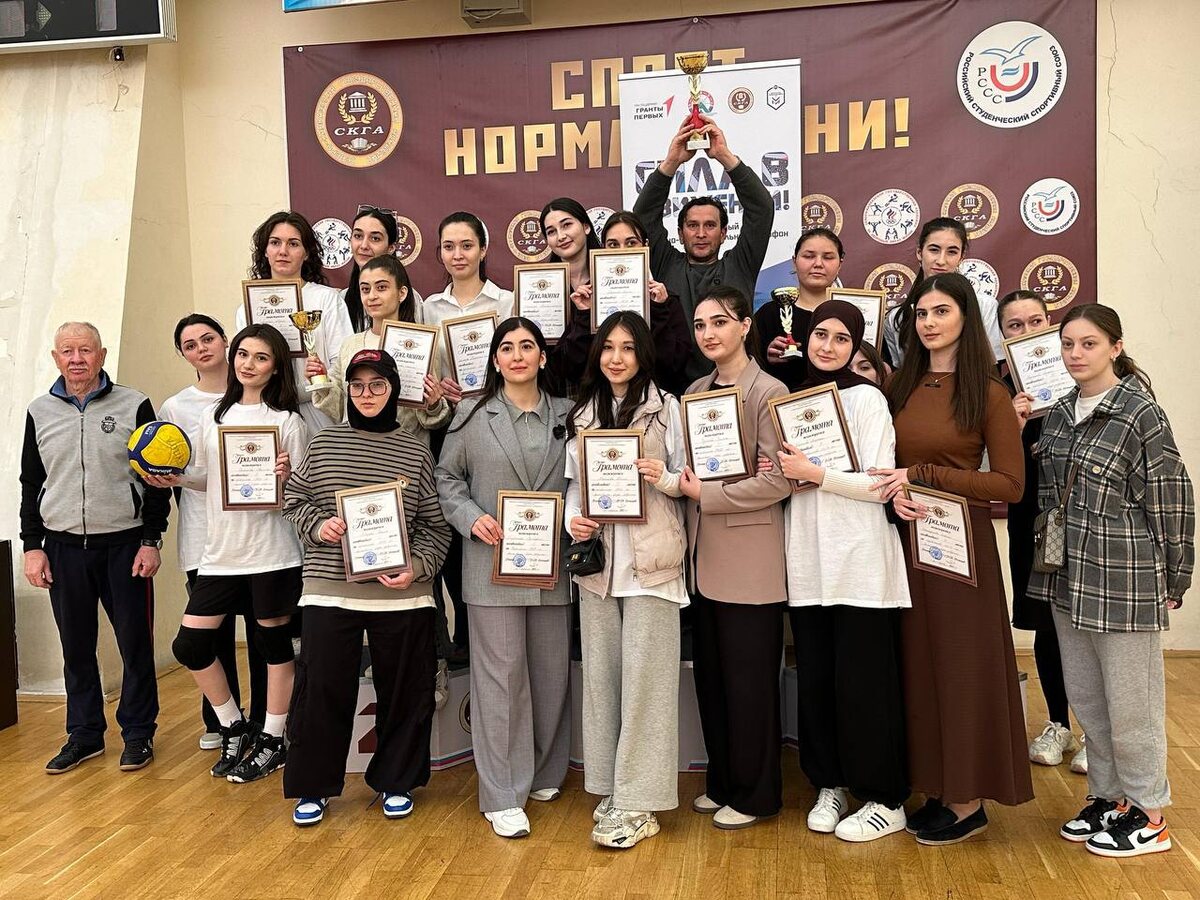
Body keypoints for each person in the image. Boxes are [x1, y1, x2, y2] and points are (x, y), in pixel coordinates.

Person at [871, 273, 1031, 844]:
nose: (929, 322)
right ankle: (939, 787)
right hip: (906, 543)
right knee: (920, 667)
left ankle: (968, 801)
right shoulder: (901, 386)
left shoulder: (986, 392)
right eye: (921, 313)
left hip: (963, 551)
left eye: (941, 311)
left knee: (962, 669)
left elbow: (1009, 484)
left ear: (966, 317)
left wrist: (924, 475)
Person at [1030, 304, 1193, 858]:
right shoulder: (1059, 412)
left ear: (1115, 348)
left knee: (1132, 705)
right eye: (1068, 344)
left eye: (1089, 344)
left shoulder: (1139, 413)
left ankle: (1150, 813)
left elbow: (1172, 498)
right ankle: (1109, 798)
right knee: (1089, 699)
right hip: (1068, 580)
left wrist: (1175, 573)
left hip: (1126, 580)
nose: (1076, 354)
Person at [281, 349, 452, 827]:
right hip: (329, 588)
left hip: (401, 593)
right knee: (320, 689)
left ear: (393, 390)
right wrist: (320, 526)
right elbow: (294, 498)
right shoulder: (324, 442)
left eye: (377, 384)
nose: (367, 394)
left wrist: (416, 567)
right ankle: (313, 786)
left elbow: (435, 527)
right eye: (357, 385)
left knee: (405, 690)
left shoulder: (415, 451)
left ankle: (396, 780)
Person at [775, 300, 912, 842]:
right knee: (818, 683)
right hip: (809, 563)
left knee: (866, 687)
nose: (827, 346)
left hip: (860, 564)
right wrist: (781, 472)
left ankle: (885, 797)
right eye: (819, 335)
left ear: (855, 346)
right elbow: (792, 480)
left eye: (840, 338)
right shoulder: (793, 402)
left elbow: (880, 485)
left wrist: (814, 472)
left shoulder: (868, 399)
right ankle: (828, 783)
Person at [436, 318, 574, 839]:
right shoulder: (472, 414)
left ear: (543, 356)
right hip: (490, 565)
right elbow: (447, 478)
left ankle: (543, 770)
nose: (518, 355)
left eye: (527, 346)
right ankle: (502, 792)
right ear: (494, 360)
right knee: (500, 679)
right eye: (508, 348)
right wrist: (471, 518)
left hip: (552, 564)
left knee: (550, 674)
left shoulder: (570, 414)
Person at [152, 324, 308, 784]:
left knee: (273, 646)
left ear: (275, 367)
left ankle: (273, 738)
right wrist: (178, 478)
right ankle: (233, 725)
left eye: (261, 357)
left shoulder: (288, 422)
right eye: (243, 354)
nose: (248, 364)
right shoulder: (213, 416)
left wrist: (285, 478)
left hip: (273, 552)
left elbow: (300, 494)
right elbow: (207, 477)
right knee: (190, 644)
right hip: (220, 554)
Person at [20, 322, 169, 774]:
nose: (77, 359)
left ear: (101, 355)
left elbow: (156, 477)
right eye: (68, 351)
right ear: (56, 358)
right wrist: (33, 546)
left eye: (85, 350)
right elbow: (31, 481)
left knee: (135, 645)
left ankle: (138, 733)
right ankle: (84, 735)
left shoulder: (134, 403)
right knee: (76, 647)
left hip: (125, 546)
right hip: (62, 548)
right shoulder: (39, 411)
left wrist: (151, 539)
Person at [564, 312, 687, 848]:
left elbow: (691, 477)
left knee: (647, 687)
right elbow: (575, 486)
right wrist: (574, 520)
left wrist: (666, 479)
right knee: (602, 683)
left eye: (628, 348)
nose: (617, 358)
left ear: (644, 355)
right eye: (609, 347)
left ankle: (641, 803)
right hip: (598, 570)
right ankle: (613, 787)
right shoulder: (582, 414)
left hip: (651, 565)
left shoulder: (669, 409)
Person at [679, 287, 791, 830]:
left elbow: (779, 481)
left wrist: (706, 494)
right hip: (704, 558)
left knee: (750, 685)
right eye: (700, 325)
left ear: (745, 325)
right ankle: (723, 781)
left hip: (750, 558)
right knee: (715, 680)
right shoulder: (695, 391)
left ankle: (757, 795)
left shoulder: (770, 391)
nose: (709, 333)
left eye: (720, 322)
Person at [158, 314, 268, 751]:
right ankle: (223, 723)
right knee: (211, 637)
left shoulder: (261, 395)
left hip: (258, 537)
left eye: (208, 339)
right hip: (204, 537)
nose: (201, 348)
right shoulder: (175, 408)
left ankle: (265, 722)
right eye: (190, 344)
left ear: (226, 342)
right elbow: (185, 472)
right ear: (182, 354)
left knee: (262, 637)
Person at [417, 211, 515, 668]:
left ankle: (493, 633)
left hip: (498, 428)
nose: (458, 254)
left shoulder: (507, 301)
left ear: (483, 249)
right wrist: (437, 388)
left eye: (466, 245)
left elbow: (520, 359)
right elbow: (421, 368)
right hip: (448, 428)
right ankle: (460, 641)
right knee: (456, 533)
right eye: (449, 246)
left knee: (492, 524)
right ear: (439, 253)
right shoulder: (427, 310)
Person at [997, 291, 1085, 773]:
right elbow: (989, 461)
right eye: (1015, 325)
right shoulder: (999, 384)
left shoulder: (1082, 373)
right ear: (1002, 333)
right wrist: (1009, 422)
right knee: (1048, 620)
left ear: (1050, 323)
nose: (1026, 331)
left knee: (1088, 622)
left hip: (1085, 520)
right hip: (1032, 518)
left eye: (1035, 321)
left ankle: (1096, 732)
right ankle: (1058, 723)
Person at [633, 115, 774, 382]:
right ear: (680, 233)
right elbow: (643, 218)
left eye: (710, 225)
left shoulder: (740, 264)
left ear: (724, 233)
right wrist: (672, 162)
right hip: (678, 389)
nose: (700, 234)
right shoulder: (666, 264)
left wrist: (723, 155)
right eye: (692, 226)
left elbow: (762, 208)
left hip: (738, 385)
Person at [237, 210, 353, 433]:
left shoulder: (326, 299)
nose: (283, 251)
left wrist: (317, 380)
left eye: (293, 244)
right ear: (265, 251)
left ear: (306, 253)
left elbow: (343, 361)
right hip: (268, 413)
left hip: (319, 411)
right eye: (275, 243)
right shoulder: (248, 306)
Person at [312, 255, 448, 435]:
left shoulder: (424, 343)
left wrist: (434, 404)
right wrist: (320, 379)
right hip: (357, 447)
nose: (372, 296)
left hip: (405, 447)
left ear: (402, 293)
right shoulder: (350, 344)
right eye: (365, 289)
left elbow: (430, 419)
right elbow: (339, 410)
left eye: (381, 287)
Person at [882, 218, 1003, 365]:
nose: (941, 260)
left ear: (961, 257)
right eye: (934, 250)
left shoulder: (984, 306)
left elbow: (992, 368)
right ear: (919, 252)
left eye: (952, 252)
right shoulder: (897, 317)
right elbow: (900, 371)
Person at [597, 212, 693, 396]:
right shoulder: (590, 302)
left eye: (631, 243)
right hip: (605, 402)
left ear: (646, 246)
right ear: (603, 249)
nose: (622, 251)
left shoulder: (666, 301)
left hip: (657, 403)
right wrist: (583, 314)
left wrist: (659, 310)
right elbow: (577, 366)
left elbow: (675, 364)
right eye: (613, 244)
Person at [754, 229, 845, 391]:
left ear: (840, 264)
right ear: (794, 262)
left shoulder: (852, 314)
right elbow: (744, 367)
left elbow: (877, 365)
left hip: (843, 402)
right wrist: (765, 358)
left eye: (828, 257)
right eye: (809, 256)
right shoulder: (769, 314)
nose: (818, 264)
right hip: (783, 402)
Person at [341, 205, 400, 332]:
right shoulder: (341, 298)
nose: (364, 245)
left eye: (375, 238)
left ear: (391, 248)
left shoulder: (406, 296)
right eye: (358, 236)